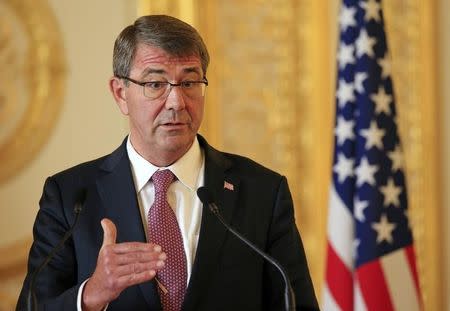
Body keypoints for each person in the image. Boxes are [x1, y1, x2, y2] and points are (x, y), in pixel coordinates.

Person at [16, 15, 319, 311]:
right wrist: (90, 296)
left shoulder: (262, 191)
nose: (176, 102)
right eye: (155, 84)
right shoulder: (70, 196)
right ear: (121, 94)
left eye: (189, 82)